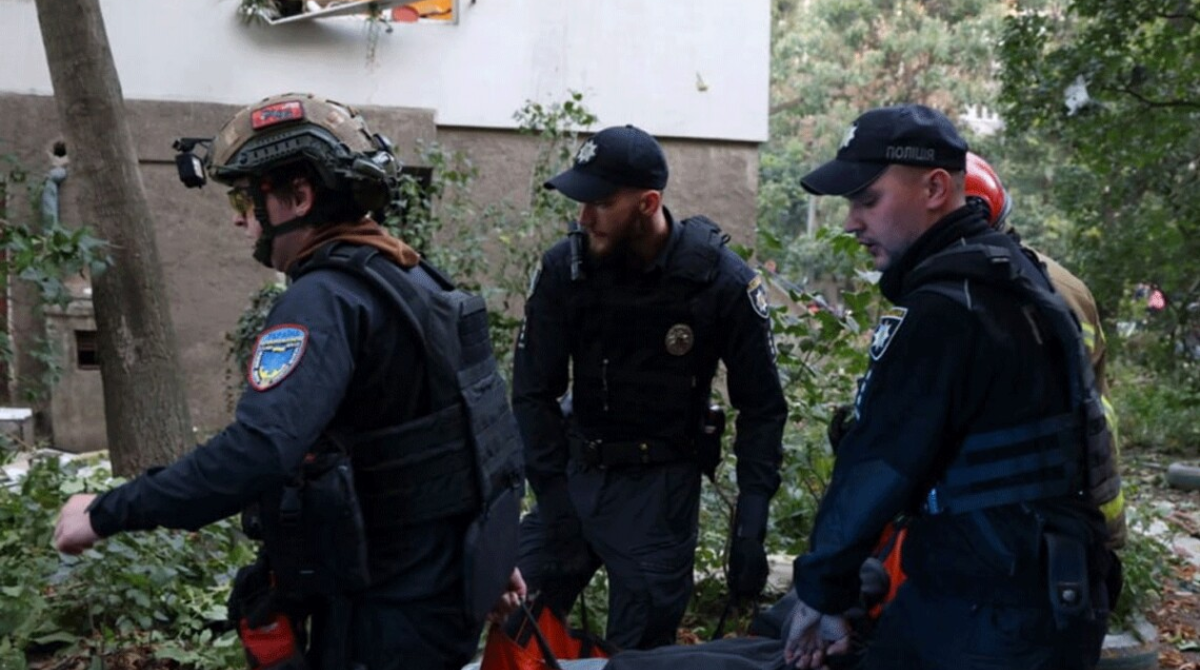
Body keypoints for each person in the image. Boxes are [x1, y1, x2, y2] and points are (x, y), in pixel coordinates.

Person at [52, 92, 525, 670]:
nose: (239, 218)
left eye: (245, 198)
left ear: (299, 197)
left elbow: (257, 451)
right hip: (438, 592)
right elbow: (468, 439)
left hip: (383, 614)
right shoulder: (413, 277)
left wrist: (103, 512)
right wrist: (490, 557)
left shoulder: (323, 300)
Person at [781, 104, 1118, 670]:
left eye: (867, 200)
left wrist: (821, 592)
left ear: (935, 188)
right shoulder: (1015, 277)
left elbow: (878, 463)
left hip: (988, 612)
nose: (851, 222)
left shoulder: (946, 310)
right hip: (1044, 589)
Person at [512, 124, 787, 650]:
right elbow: (531, 392)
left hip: (658, 493)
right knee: (517, 617)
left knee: (638, 653)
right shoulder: (565, 270)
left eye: (601, 203)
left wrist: (751, 520)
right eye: (580, 202)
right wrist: (552, 494)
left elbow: (762, 407)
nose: (583, 217)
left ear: (648, 204)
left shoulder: (720, 282)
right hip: (576, 472)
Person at [965, 151, 1126, 549]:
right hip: (1071, 518)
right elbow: (1098, 417)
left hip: (1005, 526)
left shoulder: (968, 291)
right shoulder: (1066, 286)